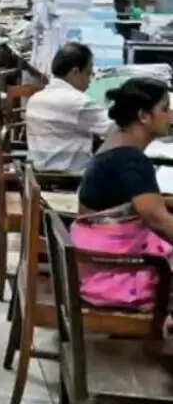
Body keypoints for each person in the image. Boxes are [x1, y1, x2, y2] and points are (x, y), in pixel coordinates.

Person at [72, 78, 173, 311]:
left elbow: (130, 201)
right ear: (143, 116)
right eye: (165, 108)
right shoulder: (131, 160)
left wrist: (163, 202)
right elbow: (158, 220)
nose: (170, 115)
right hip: (114, 275)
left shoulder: (114, 144)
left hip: (93, 265)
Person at [25, 42, 114, 172]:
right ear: (75, 72)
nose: (90, 80)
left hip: (39, 173)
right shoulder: (78, 102)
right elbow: (114, 127)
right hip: (71, 175)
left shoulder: (35, 99)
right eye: (88, 73)